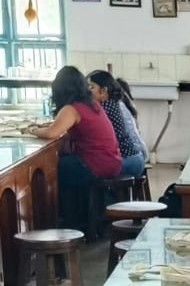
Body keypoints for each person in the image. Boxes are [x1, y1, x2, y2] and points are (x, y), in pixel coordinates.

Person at [30, 66, 122, 228]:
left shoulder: (72, 108)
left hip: (95, 164)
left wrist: (32, 130)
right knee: (64, 164)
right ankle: (75, 220)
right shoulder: (90, 103)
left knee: (50, 171)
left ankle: (62, 223)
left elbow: (52, 132)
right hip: (110, 161)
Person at [87, 70, 146, 178]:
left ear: (103, 91)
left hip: (128, 161)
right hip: (134, 158)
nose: (87, 92)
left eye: (91, 87)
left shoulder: (104, 106)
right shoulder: (112, 102)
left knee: (87, 170)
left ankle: (105, 195)